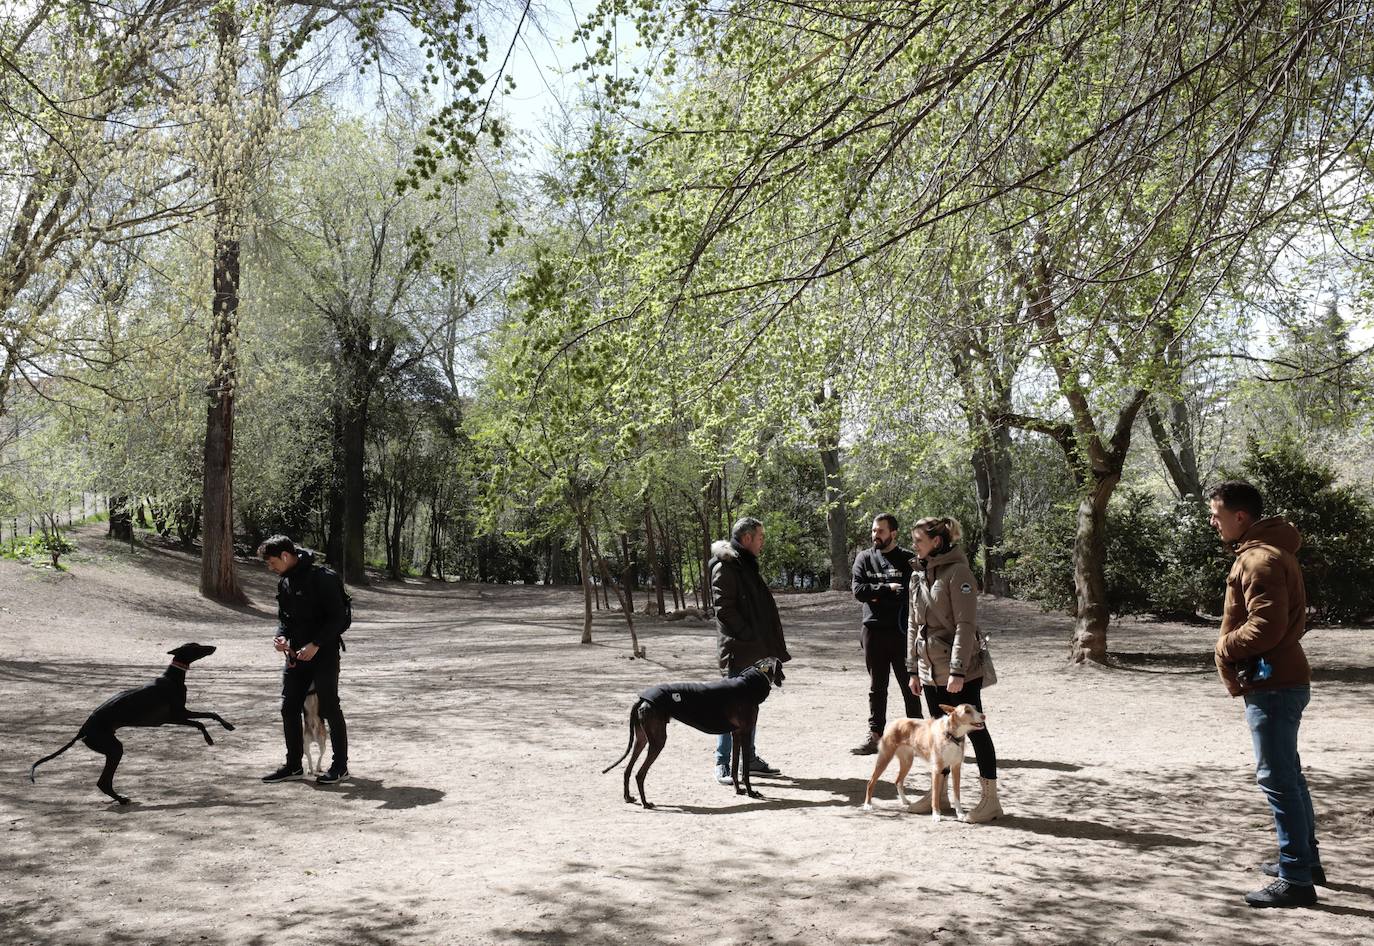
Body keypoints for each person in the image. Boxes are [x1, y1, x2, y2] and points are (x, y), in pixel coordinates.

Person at [1207, 481, 1321, 908]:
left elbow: (1266, 627)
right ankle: (1304, 863)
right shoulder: (1267, 552)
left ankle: (1295, 878)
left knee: (1277, 779)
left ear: (1241, 517)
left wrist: (1222, 647)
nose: (1212, 521)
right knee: (1288, 775)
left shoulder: (1259, 558)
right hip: (1280, 679)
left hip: (1274, 683)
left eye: (1217, 514)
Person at [907, 515, 1000, 822]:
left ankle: (990, 800)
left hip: (960, 670)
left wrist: (958, 670)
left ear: (936, 542)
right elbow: (912, 624)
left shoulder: (959, 572)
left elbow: (965, 624)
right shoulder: (917, 575)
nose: (914, 545)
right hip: (928, 667)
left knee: (976, 732)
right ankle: (941, 794)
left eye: (919, 540)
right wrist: (912, 668)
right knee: (939, 734)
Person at [258, 535, 351, 786]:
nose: (271, 567)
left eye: (272, 562)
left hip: (324, 654)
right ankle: (293, 766)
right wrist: (281, 637)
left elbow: (339, 619)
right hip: (295, 657)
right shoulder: (285, 582)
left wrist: (316, 644)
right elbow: (284, 619)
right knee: (289, 708)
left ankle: (340, 766)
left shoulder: (323, 578)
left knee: (330, 707)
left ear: (286, 556)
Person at [709, 516, 791, 784]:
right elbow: (724, 609)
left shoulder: (746, 565)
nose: (762, 543)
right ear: (746, 538)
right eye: (760, 537)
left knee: (751, 705)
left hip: (757, 650)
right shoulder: (726, 566)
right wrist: (748, 636)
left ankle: (749, 759)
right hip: (739, 649)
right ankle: (723, 763)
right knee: (732, 707)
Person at [850, 513, 921, 755]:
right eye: (873, 531)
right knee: (876, 687)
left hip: (902, 632)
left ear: (893, 533)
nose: (875, 536)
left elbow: (912, 595)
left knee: (909, 685)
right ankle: (875, 737)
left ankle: (919, 736)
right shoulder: (864, 558)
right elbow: (859, 591)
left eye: (880, 531)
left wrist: (879, 595)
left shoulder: (908, 560)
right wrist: (887, 589)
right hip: (872, 631)